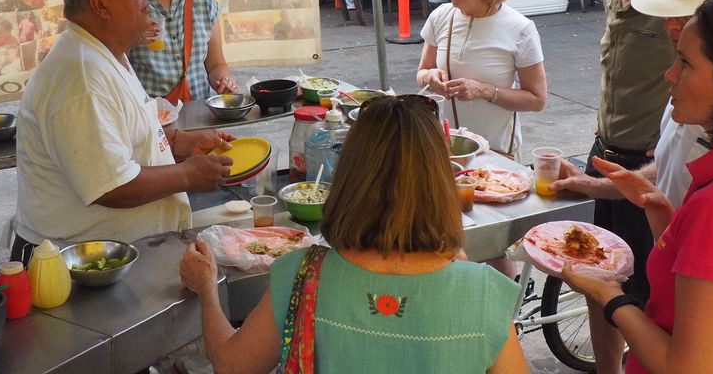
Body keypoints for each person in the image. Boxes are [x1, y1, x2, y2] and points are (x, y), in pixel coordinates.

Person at [180, 95, 528, 374]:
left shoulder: (300, 275)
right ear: (439, 185)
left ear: (348, 178)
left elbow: (231, 364)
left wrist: (208, 290)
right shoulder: (481, 291)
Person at [563, 0, 713, 374]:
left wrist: (610, 297)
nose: (670, 74)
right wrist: (664, 216)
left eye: (685, 63)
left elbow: (690, 368)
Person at [12, 0, 235, 262]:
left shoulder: (106, 52)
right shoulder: (82, 76)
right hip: (78, 273)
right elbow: (110, 185)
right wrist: (188, 175)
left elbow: (115, 138)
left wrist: (174, 143)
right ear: (101, 5)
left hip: (113, 260)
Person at [560, 0, 674, 373]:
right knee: (596, 279)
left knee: (644, 296)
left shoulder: (678, 1)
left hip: (648, 169)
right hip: (605, 150)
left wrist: (666, 138)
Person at [551, 0, 713, 210]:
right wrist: (595, 185)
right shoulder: (685, 93)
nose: (669, 25)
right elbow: (669, 166)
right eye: (668, 13)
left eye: (685, 16)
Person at [417, 0, 547, 159]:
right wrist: (430, 78)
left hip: (496, 151)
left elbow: (537, 100)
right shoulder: (440, 16)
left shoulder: (520, 29)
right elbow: (422, 72)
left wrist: (483, 90)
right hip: (443, 147)